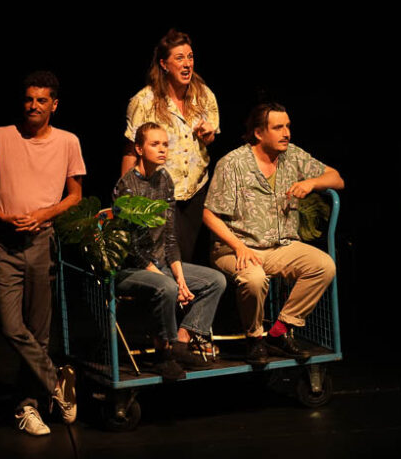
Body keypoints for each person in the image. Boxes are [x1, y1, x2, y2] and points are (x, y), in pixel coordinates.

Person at [0, 71, 84, 436]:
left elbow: (75, 195)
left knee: (39, 333)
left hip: (40, 244)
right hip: (2, 244)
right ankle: (56, 382)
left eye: (41, 100)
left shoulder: (67, 141)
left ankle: (28, 406)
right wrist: (2, 216)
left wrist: (44, 214)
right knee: (11, 327)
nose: (33, 105)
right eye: (28, 99)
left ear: (54, 105)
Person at [202, 102, 344, 364]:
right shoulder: (233, 163)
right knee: (255, 279)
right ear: (258, 133)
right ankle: (254, 339)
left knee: (323, 265)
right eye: (278, 127)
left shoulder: (292, 156)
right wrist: (239, 247)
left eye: (288, 126)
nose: (286, 133)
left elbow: (336, 178)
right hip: (236, 247)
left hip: (280, 246)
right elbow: (209, 214)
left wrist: (311, 183)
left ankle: (279, 332)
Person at [114, 122, 227, 380]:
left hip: (161, 263)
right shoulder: (127, 186)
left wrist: (180, 278)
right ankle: (163, 355)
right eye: (155, 144)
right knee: (167, 287)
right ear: (139, 149)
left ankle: (180, 344)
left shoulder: (164, 179)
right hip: (131, 269)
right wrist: (171, 282)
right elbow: (131, 247)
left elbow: (170, 236)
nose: (163, 149)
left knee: (215, 281)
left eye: (165, 144)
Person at [122, 29, 220, 264]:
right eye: (179, 58)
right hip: (159, 193)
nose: (187, 64)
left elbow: (209, 140)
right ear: (164, 64)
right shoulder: (144, 101)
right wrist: (127, 198)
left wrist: (208, 135)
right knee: (165, 263)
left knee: (192, 265)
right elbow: (131, 151)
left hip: (195, 194)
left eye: (190, 57)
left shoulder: (203, 96)